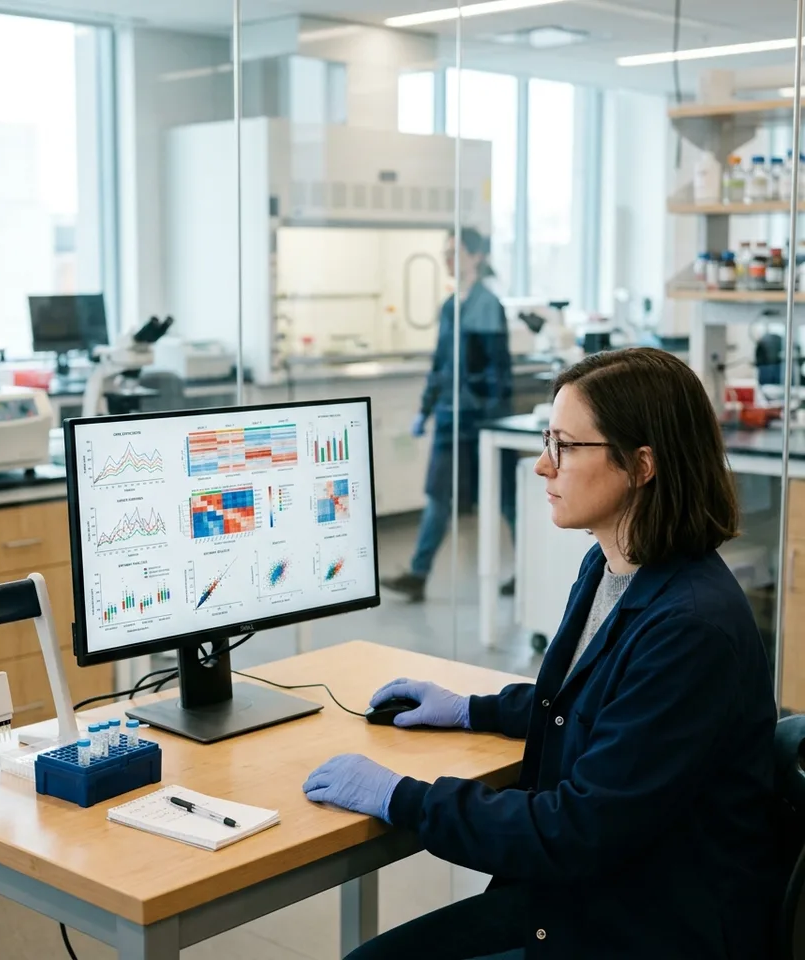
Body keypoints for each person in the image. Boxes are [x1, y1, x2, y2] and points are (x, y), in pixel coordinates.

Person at [303, 347, 781, 960]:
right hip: (588, 895)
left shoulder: (690, 628)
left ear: (641, 465)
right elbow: (600, 704)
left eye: (563, 445)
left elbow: (575, 829)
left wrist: (402, 797)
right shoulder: (612, 566)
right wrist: (474, 709)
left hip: (638, 927)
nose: (540, 466)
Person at [382, 227, 516, 603]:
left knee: (505, 497)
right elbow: (441, 365)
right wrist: (426, 409)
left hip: (481, 421)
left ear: (477, 257)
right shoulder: (448, 306)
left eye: (455, 251)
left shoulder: (487, 305)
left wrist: (488, 416)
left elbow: (495, 370)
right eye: (445, 252)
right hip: (450, 418)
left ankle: (526, 572)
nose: (448, 259)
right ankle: (418, 574)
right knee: (439, 496)